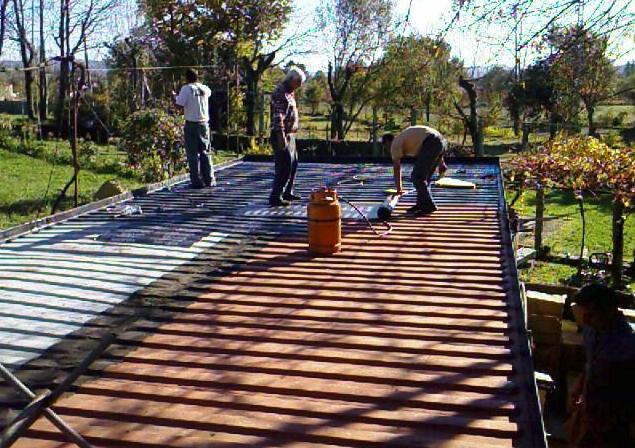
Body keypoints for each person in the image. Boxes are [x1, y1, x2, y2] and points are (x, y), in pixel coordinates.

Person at [567, 283, 635, 448]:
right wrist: (579, 387)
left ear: (610, 311)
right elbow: (591, 362)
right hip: (589, 411)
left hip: (612, 421)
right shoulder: (592, 327)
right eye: (584, 316)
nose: (585, 321)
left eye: (591, 315)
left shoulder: (625, 346)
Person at [382, 125, 448, 216]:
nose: (387, 150)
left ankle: (428, 205)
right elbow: (436, 143)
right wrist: (441, 162)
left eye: (385, 147)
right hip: (441, 141)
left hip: (431, 142)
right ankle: (421, 203)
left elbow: (397, 168)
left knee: (417, 176)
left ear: (387, 142)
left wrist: (399, 189)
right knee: (424, 179)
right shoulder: (405, 137)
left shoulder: (394, 144)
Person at [269, 66, 306, 207]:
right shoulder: (280, 93)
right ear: (291, 80)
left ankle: (287, 191)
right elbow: (278, 116)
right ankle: (275, 196)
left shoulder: (290, 92)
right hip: (281, 134)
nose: (299, 86)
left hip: (290, 133)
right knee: (283, 166)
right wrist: (281, 136)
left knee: (293, 164)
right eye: (298, 82)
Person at [173, 69, 215, 189]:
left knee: (192, 154)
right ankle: (209, 179)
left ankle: (196, 181)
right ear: (197, 77)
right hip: (204, 124)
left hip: (191, 123)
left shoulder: (186, 88)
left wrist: (174, 97)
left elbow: (179, 105)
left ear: (186, 78)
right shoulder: (205, 89)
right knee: (205, 152)